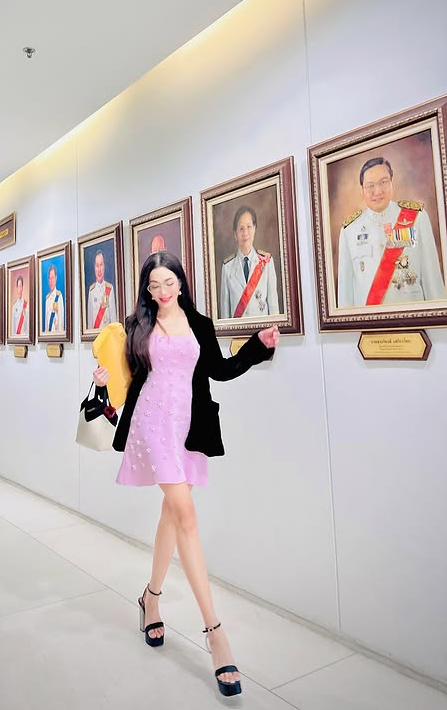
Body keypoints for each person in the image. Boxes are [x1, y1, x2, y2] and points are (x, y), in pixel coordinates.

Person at [92, 251, 279, 697]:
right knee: (187, 516)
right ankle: (215, 633)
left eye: (168, 282)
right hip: (153, 424)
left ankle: (151, 599)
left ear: (180, 282)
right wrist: (101, 382)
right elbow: (124, 380)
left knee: (172, 516)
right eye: (154, 285)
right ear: (147, 288)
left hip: (189, 427)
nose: (162, 291)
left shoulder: (200, 323)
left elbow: (220, 370)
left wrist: (257, 346)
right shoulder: (137, 326)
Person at [337, 157, 446, 307]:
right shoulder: (349, 230)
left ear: (392, 182)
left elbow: (432, 280)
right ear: (362, 190)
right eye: (370, 185)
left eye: (383, 182)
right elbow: (345, 295)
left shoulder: (417, 218)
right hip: (369, 320)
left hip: (413, 318)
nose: (378, 191)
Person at [220, 205, 279, 318]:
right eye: (241, 228)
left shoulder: (266, 263)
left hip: (262, 329)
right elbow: (225, 314)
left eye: (249, 227)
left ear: (254, 229)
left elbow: (273, 307)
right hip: (238, 329)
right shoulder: (227, 267)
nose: (245, 233)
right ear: (235, 234)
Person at [87, 250, 117, 330]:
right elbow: (90, 321)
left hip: (107, 335)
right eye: (97, 266)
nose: (99, 269)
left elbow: (113, 319)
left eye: (101, 265)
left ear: (104, 266)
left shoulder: (109, 289)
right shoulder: (91, 291)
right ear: (94, 268)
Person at [44, 264, 63, 333]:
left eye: (53, 278)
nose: (51, 281)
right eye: (50, 278)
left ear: (56, 278)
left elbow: (60, 322)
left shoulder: (59, 296)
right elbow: (46, 324)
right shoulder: (47, 299)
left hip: (56, 335)